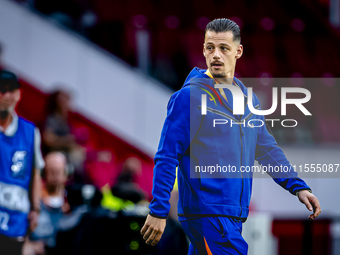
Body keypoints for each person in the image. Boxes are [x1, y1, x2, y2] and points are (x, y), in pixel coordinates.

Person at [141, 18, 322, 254]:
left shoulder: (249, 101)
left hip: (232, 216)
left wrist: (298, 187)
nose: (216, 55)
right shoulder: (189, 97)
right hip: (208, 215)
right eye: (210, 47)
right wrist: (158, 210)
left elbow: (267, 149)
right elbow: (167, 157)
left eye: (223, 48)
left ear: (238, 51)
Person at [0, 70, 45, 255]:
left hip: (16, 219)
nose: (7, 95)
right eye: (2, 90)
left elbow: (36, 173)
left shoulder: (30, 131)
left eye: (12, 90)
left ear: (19, 94)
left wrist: (35, 207)